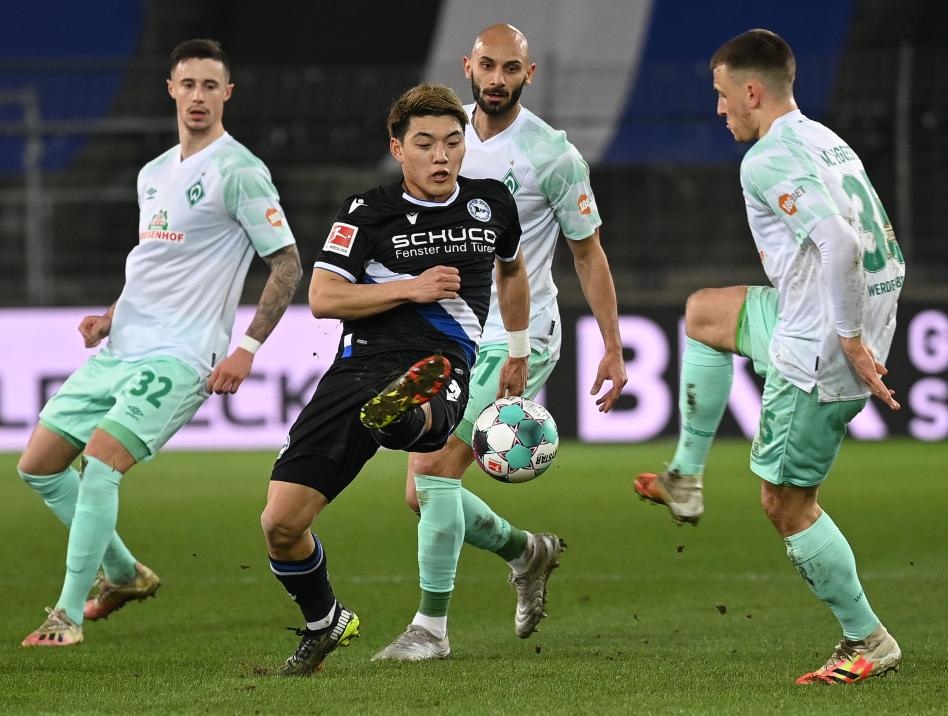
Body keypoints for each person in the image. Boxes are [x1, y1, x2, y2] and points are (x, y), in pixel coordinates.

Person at [635, 29, 906, 684]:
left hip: (819, 346)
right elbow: (878, 245)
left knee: (785, 504)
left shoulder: (765, 159)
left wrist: (849, 336)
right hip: (814, 314)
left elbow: (842, 244)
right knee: (704, 314)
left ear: (751, 92)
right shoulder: (825, 140)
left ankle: (866, 639)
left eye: (722, 95)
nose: (719, 109)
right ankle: (685, 477)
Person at [18, 39, 302, 647]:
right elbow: (155, 264)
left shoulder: (239, 171)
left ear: (227, 94)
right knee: (38, 467)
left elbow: (287, 264)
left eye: (210, 86)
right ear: (171, 90)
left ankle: (66, 616)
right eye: (188, 84)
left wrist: (247, 348)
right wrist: (110, 316)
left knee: (99, 465)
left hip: (181, 354)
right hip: (122, 347)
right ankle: (124, 573)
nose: (198, 96)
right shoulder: (153, 173)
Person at [259, 82, 530, 674]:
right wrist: (413, 287)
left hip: (441, 359)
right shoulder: (366, 211)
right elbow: (324, 297)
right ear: (397, 148)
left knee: (419, 424)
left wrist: (517, 347)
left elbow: (512, 270)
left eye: (453, 142)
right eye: (425, 144)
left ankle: (404, 415)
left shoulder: (492, 203)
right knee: (280, 524)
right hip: (358, 368)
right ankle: (325, 620)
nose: (441, 156)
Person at [382, 23, 628, 658]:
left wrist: (612, 344)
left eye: (510, 68)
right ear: (468, 66)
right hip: (447, 336)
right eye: (487, 66)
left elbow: (589, 253)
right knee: (419, 494)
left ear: (529, 74)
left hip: (518, 336)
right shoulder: (442, 142)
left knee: (433, 472)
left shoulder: (553, 155)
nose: (497, 79)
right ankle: (527, 552)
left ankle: (430, 630)